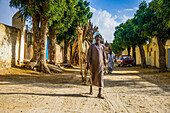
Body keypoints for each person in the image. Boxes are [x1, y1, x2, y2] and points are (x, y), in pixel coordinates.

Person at [86, 33, 106, 99]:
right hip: (93, 65)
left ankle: (99, 93)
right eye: (96, 37)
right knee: (92, 76)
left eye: (99, 37)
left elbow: (104, 56)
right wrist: (88, 63)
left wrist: (105, 64)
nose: (98, 38)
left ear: (100, 38)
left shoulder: (102, 47)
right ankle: (91, 87)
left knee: (100, 78)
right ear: (95, 38)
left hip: (100, 65)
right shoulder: (92, 46)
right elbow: (88, 55)